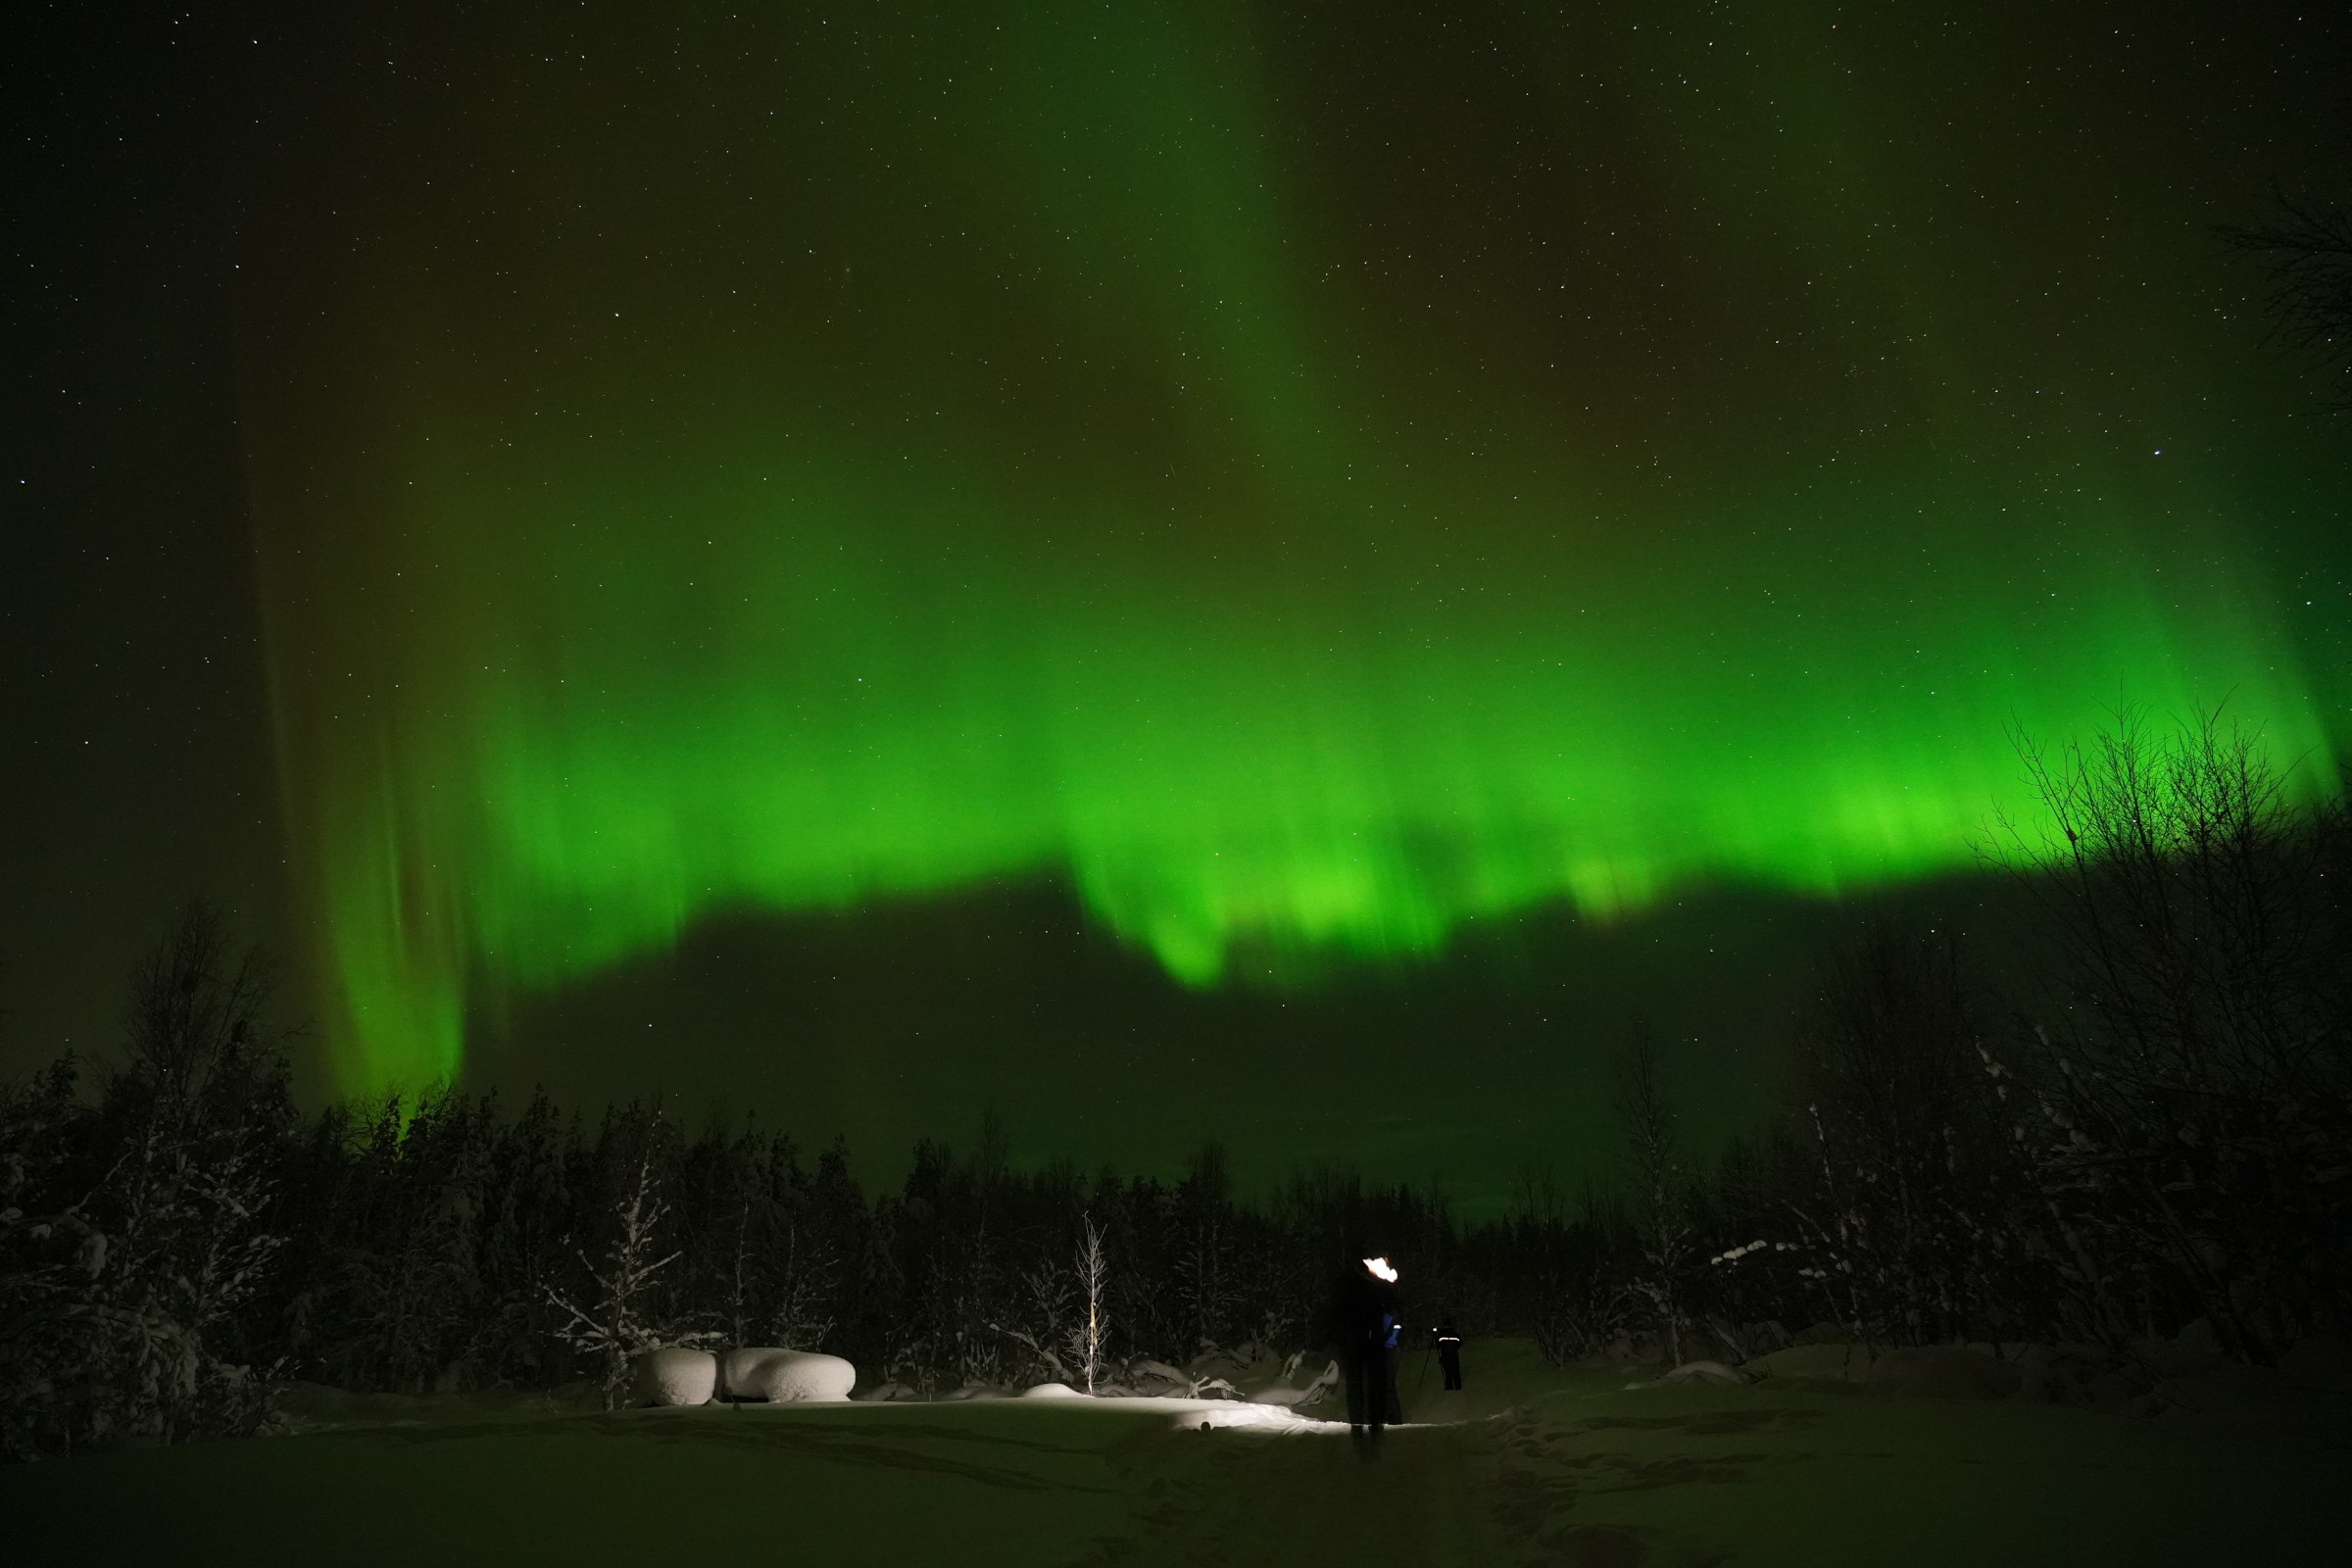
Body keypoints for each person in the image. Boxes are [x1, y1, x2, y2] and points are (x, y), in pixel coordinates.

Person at [1435, 1314, 1463, 1392]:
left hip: (1445, 1354)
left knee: (1447, 1370)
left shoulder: (1441, 1334)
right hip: (1453, 1353)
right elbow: (1460, 1343)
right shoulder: (1455, 1333)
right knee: (1455, 1369)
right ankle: (1458, 1385)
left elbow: (1437, 1344)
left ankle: (1449, 1385)